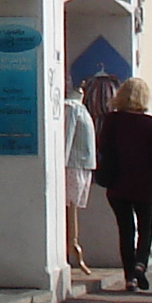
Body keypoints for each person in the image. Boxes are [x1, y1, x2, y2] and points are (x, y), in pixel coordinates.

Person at [97, 78, 152, 293]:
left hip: (118, 184)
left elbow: (103, 147)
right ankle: (140, 265)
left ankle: (129, 278)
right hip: (143, 184)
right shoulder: (150, 123)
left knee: (126, 231)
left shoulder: (112, 120)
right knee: (146, 228)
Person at [61, 79, 99, 282]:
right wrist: (62, 164)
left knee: (75, 205)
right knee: (71, 205)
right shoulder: (71, 108)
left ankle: (73, 244)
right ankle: (72, 244)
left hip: (84, 164)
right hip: (73, 164)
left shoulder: (80, 107)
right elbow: (67, 137)